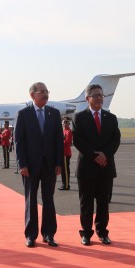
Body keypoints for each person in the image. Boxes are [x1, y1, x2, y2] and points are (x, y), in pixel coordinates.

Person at [14, 82, 64, 248]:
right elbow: (19, 142)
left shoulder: (54, 113)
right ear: (32, 95)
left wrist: (59, 163)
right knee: (31, 199)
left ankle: (49, 234)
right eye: (41, 91)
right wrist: (22, 164)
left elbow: (59, 141)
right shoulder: (24, 114)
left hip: (50, 165)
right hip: (30, 166)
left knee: (49, 199)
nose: (45, 94)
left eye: (47, 91)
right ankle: (31, 235)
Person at [73, 84, 121, 246]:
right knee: (86, 203)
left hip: (106, 167)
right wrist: (95, 155)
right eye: (96, 95)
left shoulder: (111, 118)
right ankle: (86, 233)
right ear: (88, 99)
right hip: (87, 167)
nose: (100, 98)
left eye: (101, 95)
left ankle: (102, 232)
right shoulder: (79, 117)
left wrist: (105, 155)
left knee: (103, 203)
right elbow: (79, 141)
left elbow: (116, 140)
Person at [59, 118, 73, 190]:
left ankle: (66, 185)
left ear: (68, 124)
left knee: (66, 170)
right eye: (63, 122)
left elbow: (68, 142)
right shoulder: (63, 131)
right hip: (62, 152)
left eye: (66, 122)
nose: (64, 124)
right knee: (63, 170)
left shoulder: (69, 131)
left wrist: (60, 142)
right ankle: (64, 184)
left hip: (66, 153)